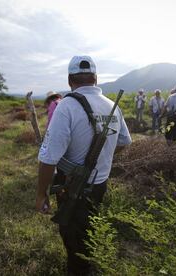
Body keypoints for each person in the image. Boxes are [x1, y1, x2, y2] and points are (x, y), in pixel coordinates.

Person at [35, 56, 132, 275]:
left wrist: (41, 194)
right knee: (88, 228)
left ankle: (80, 269)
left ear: (70, 80)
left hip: (71, 185)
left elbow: (49, 157)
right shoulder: (111, 106)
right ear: (96, 79)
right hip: (100, 184)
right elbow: (125, 142)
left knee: (72, 236)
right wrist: (103, 158)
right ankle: (87, 263)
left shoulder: (66, 106)